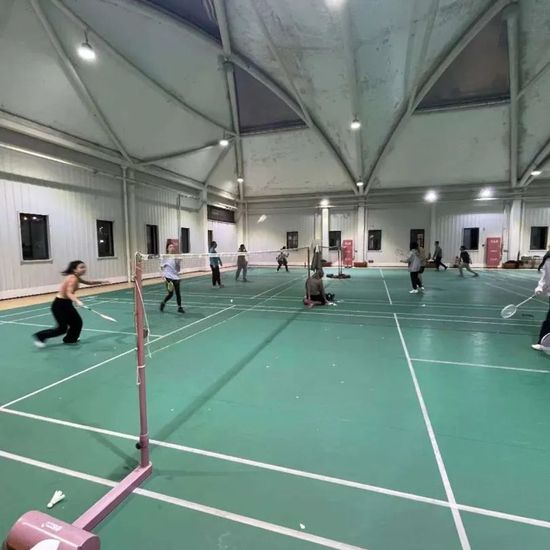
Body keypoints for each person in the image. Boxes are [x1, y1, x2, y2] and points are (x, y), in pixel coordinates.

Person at [33, 261, 106, 347]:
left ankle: (70, 339)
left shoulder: (76, 277)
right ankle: (40, 336)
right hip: (59, 305)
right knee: (62, 329)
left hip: (67, 304)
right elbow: (69, 293)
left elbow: (88, 282)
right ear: (74, 269)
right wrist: (77, 301)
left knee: (77, 323)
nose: (84, 269)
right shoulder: (73, 279)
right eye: (81, 267)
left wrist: (101, 282)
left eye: (84, 267)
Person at [160, 243, 184, 313]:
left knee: (178, 293)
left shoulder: (176, 257)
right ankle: (163, 303)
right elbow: (161, 267)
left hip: (176, 277)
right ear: (167, 249)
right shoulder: (165, 257)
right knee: (171, 293)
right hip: (168, 277)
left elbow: (178, 269)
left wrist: (178, 261)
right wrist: (163, 275)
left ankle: (179, 307)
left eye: (173, 247)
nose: (172, 248)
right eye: (170, 247)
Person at [532, 255, 550, 351]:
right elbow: (545, 276)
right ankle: (542, 343)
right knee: (549, 320)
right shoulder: (548, 260)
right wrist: (540, 287)